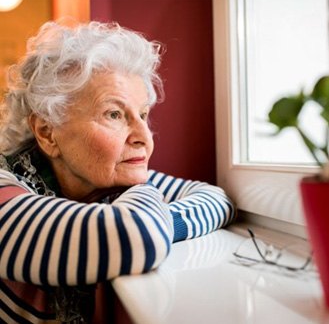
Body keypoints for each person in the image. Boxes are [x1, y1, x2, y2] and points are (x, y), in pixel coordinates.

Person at [0, 21, 235, 323]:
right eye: (114, 114)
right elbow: (139, 235)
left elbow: (216, 198)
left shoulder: (106, 185)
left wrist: (161, 218)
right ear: (47, 132)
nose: (145, 137)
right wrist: (151, 213)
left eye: (143, 115)